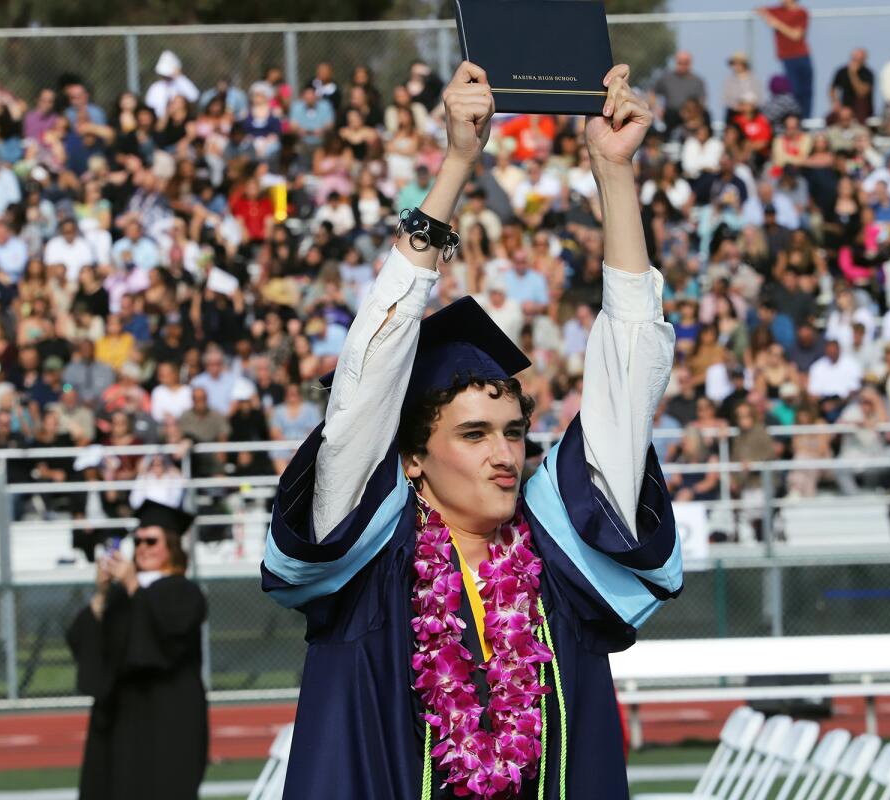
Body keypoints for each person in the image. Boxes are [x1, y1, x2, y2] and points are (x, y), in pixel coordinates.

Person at [259, 61, 682, 797]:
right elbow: (367, 378)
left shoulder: (560, 558)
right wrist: (457, 163)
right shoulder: (365, 559)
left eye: (514, 432)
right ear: (413, 459)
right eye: (475, 434)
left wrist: (613, 174)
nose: (505, 456)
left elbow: (629, 374)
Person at [66, 500, 208, 800]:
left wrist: (132, 585)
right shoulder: (121, 593)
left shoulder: (183, 591)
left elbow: (166, 640)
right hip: (121, 712)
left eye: (152, 541)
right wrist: (102, 595)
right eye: (138, 540)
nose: (143, 548)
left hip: (169, 711)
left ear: (171, 544)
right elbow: (85, 642)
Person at [758, 0, 813, 119]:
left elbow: (796, 35)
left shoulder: (801, 13)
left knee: (806, 90)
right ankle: (796, 119)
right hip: (787, 57)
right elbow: (759, 10)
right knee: (794, 91)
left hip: (802, 55)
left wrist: (777, 24)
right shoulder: (777, 10)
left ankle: (806, 120)